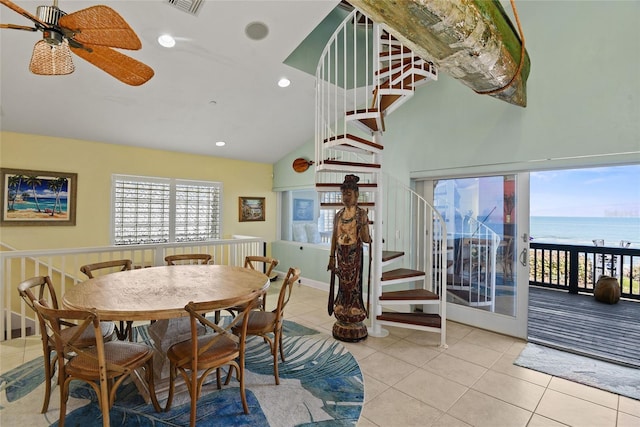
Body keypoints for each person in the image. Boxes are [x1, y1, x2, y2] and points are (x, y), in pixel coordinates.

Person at [327, 174, 371, 342]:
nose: (346, 197)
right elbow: (333, 236)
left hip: (354, 254)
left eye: (349, 194)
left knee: (354, 284)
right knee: (342, 285)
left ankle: (354, 309)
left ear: (356, 195)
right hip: (340, 253)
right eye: (344, 194)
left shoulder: (360, 214)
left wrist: (364, 224)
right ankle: (342, 308)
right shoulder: (338, 215)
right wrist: (331, 256)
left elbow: (366, 239)